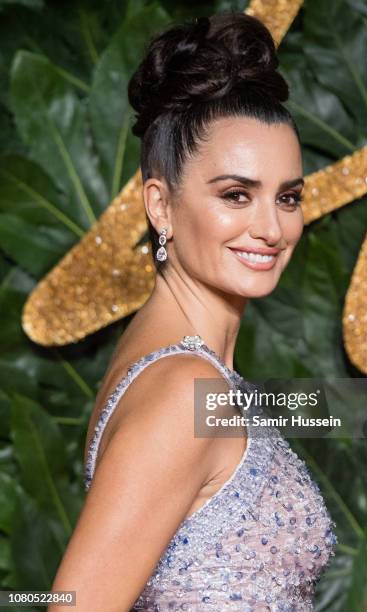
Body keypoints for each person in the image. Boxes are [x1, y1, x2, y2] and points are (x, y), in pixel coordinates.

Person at [49, 11, 337, 611]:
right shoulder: (185, 388)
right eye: (236, 194)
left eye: (288, 197)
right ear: (161, 205)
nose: (271, 227)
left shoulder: (175, 363)